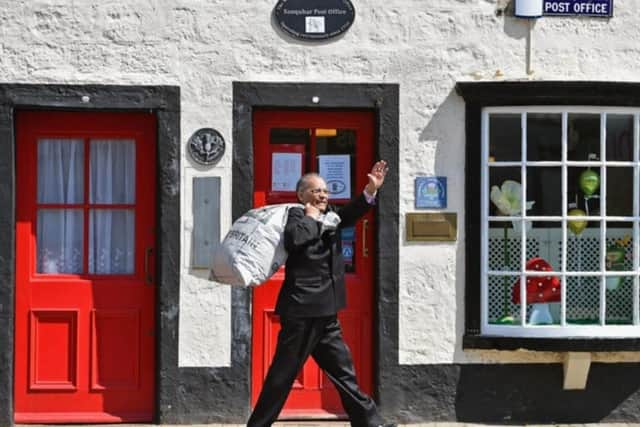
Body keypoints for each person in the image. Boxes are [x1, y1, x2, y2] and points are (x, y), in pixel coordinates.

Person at [247, 160, 394, 427]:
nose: (323, 195)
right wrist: (312, 216)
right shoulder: (295, 215)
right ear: (302, 194)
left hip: (326, 310)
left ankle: (370, 423)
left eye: (325, 191)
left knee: (343, 371)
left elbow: (350, 214)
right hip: (301, 312)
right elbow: (296, 239)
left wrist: (370, 191)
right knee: (282, 375)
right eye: (317, 191)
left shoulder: (332, 215)